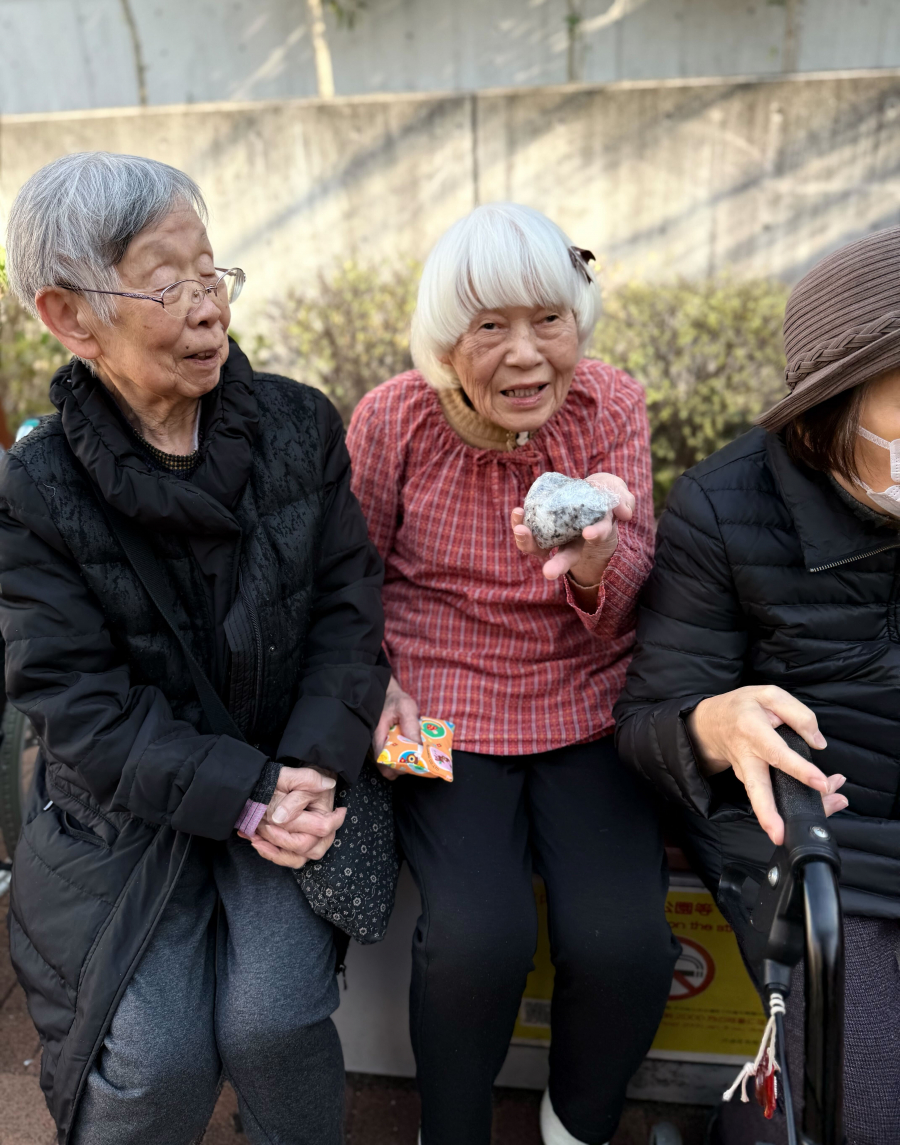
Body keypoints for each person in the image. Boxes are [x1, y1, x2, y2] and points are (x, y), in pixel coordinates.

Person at [1, 152, 389, 1145]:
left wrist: (309, 769)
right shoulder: (36, 491)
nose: (209, 307)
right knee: (157, 1057)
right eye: (168, 283)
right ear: (70, 317)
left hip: (290, 772)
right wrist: (246, 796)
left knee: (275, 1022)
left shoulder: (299, 424)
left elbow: (349, 612)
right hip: (128, 810)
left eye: (212, 272)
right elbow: (82, 708)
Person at [346, 203, 679, 1145]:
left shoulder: (610, 403)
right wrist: (373, 682)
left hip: (588, 695)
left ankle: (576, 1125)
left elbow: (630, 583)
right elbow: (347, 577)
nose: (527, 354)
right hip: (433, 704)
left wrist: (592, 563)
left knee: (625, 945)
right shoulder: (393, 417)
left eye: (550, 320)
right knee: (474, 941)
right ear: (446, 339)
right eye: (491, 326)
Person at [615, 226, 900, 1145]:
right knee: (873, 1109)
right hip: (809, 841)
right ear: (835, 403)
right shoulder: (723, 505)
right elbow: (646, 722)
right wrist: (716, 722)